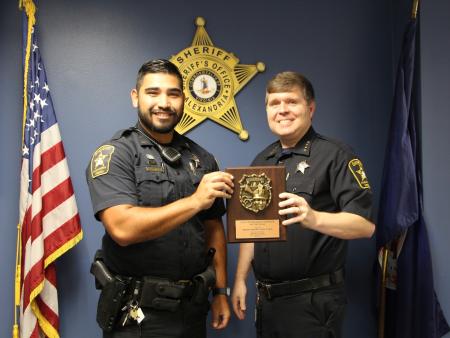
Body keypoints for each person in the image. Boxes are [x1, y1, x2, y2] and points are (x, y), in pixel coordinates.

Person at [86, 59, 233, 338]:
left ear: (183, 100)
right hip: (138, 316)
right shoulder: (116, 154)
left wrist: (220, 292)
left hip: (192, 311)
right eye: (153, 92)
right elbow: (122, 228)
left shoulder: (201, 158)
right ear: (135, 97)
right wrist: (194, 201)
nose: (163, 102)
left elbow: (213, 227)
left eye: (173, 94)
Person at [231, 71, 375, 338]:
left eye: (291, 102)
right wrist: (240, 279)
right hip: (268, 301)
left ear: (310, 108)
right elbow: (252, 227)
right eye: (274, 103)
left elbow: (364, 226)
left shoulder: (336, 155)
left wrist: (313, 218)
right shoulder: (262, 160)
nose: (282, 110)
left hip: (313, 302)